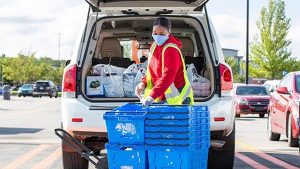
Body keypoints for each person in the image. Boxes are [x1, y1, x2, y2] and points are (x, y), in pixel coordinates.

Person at [135, 17, 194, 107]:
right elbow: (151, 71)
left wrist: (152, 96)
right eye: (155, 33)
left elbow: (168, 76)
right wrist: (143, 83)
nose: (158, 36)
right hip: (163, 95)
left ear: (169, 32)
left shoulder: (171, 49)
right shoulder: (154, 46)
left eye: (162, 34)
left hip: (178, 98)